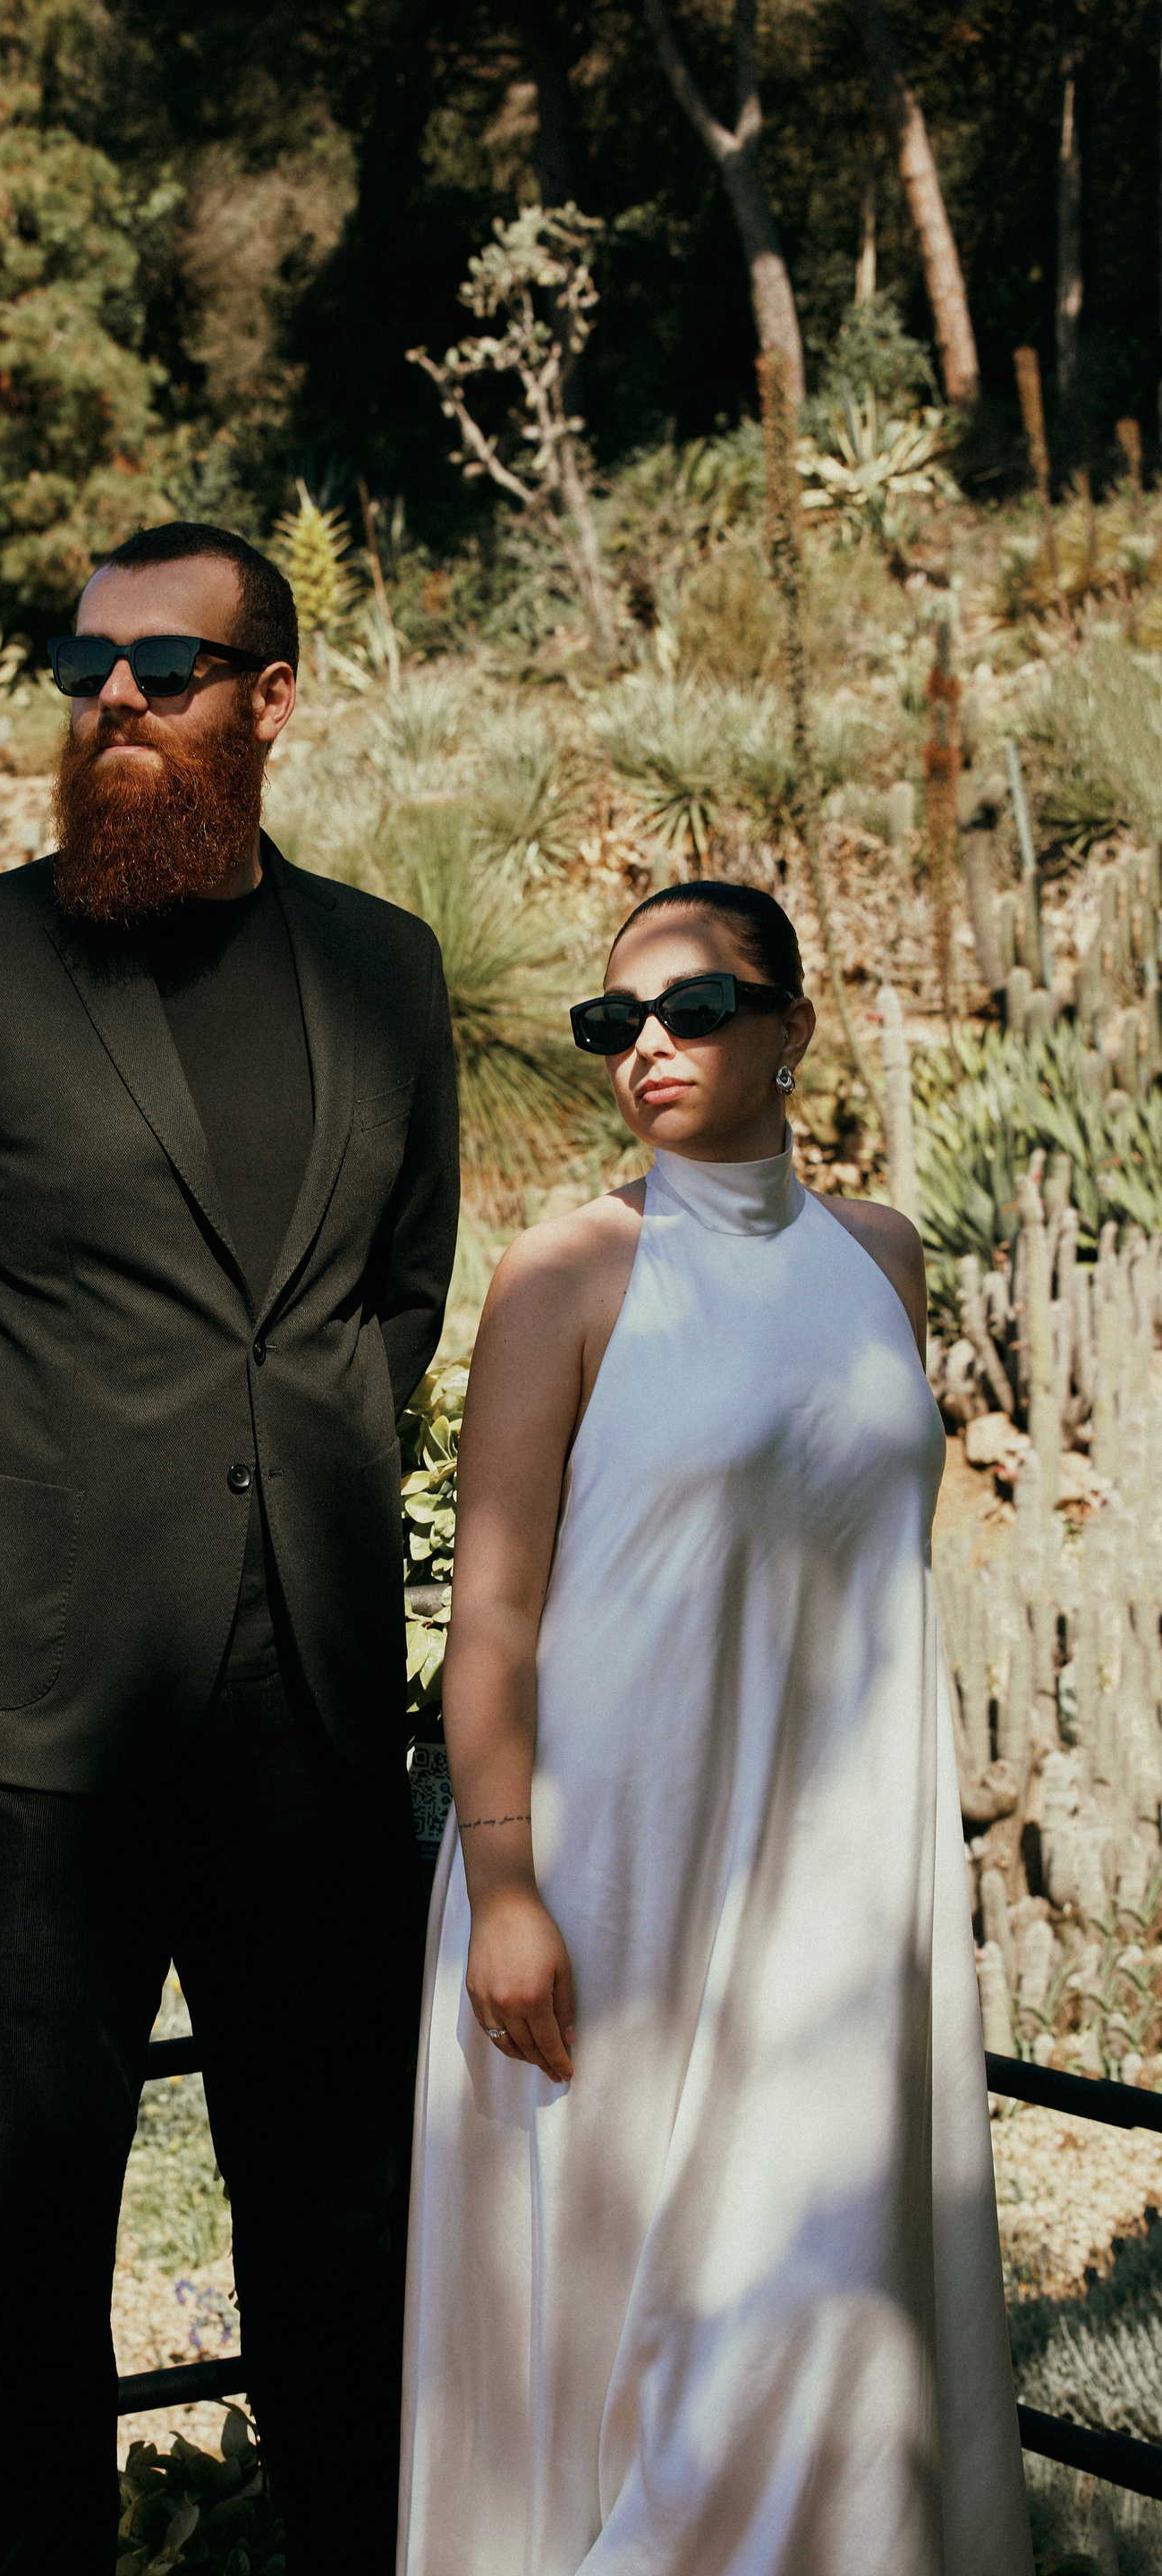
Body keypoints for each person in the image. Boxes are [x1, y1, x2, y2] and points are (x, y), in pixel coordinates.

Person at [0, 521, 458, 2572]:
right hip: (24, 1741)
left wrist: (303, 1490)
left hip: (311, 1731)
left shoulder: (386, 969)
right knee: (17, 2251)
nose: (118, 702)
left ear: (273, 696)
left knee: (348, 2233)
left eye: (169, 667)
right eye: (87, 668)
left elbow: (396, 1299)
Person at [398, 881, 1031, 2575]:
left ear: (792, 1028)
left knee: (817, 2306)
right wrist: (506, 1888)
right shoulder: (566, 1274)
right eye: (615, 1024)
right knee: (642, 2339)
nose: (649, 1049)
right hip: (614, 1885)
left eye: (692, 1010)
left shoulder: (881, 1257)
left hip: (833, 1892)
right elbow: (493, 1616)